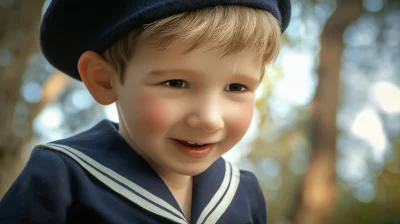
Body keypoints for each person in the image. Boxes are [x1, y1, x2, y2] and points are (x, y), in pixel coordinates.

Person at [0, 0, 291, 223]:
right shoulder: (61, 177)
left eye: (237, 87)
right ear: (104, 79)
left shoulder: (244, 193)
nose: (209, 119)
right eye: (176, 83)